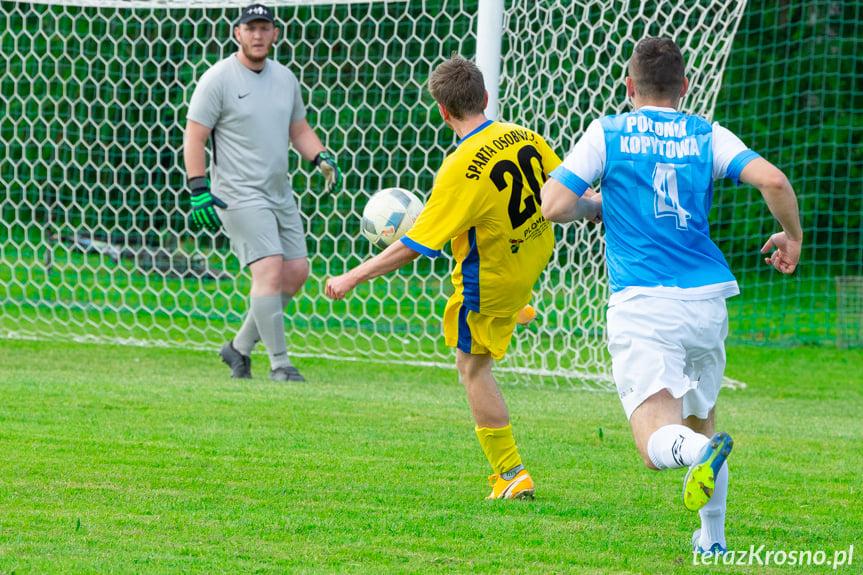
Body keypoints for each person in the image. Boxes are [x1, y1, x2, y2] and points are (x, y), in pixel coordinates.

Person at [541, 37, 802, 554]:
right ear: (684, 87)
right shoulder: (705, 133)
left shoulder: (608, 131)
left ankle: (701, 460)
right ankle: (712, 540)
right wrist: (792, 237)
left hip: (644, 304)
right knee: (700, 424)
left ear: (629, 87)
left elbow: (553, 205)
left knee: (659, 444)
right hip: (707, 303)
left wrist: (594, 209)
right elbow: (772, 180)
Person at [325, 57, 560, 499]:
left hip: (490, 282)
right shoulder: (524, 135)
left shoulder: (457, 169)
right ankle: (513, 309)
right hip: (532, 256)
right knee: (500, 294)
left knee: (471, 367)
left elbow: (414, 245)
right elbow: (561, 188)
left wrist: (353, 275)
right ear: (485, 98)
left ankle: (510, 475)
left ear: (442, 112)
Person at [183, 3, 343, 382]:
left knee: (295, 273)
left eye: (264, 28)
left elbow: (299, 129)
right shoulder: (218, 78)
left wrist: (320, 156)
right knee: (269, 271)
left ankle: (237, 349)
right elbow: (195, 134)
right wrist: (198, 188)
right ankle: (280, 365)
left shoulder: (285, 78)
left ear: (275, 33)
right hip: (236, 194)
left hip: (278, 192)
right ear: (236, 33)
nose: (257, 35)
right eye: (250, 28)